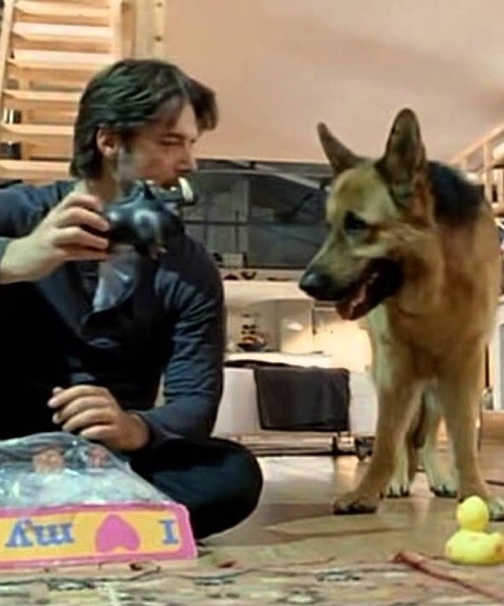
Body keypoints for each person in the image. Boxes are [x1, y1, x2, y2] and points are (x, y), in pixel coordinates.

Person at [0, 58, 263, 539]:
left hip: (112, 456)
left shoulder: (189, 265)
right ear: (109, 141)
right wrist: (13, 259)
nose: (189, 163)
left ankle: (47, 510)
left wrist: (135, 427)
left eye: (190, 144)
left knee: (234, 473)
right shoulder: (20, 213)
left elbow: (196, 400)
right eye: (170, 142)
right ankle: (99, 516)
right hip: (9, 436)